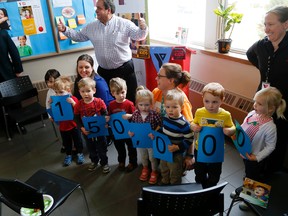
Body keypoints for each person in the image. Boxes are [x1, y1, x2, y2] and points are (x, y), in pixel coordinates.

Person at [57, 0, 148, 103]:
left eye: (99, 8)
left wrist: (143, 27)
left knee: (129, 100)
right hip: (104, 72)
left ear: (108, 10)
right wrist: (65, 29)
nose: (96, 11)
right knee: (109, 101)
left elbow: (139, 35)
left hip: (124, 70)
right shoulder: (91, 27)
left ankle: (131, 119)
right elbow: (78, 36)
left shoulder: (124, 24)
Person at [246, 5, 288, 174]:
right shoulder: (262, 45)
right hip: (262, 99)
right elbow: (250, 54)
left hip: (283, 103)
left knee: (277, 138)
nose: (266, 29)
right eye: (265, 24)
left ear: (285, 24)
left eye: (271, 24)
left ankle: (270, 172)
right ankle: (254, 170)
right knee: (257, 133)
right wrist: (265, 72)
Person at [237, 87, 286, 211]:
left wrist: (257, 157)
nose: (255, 105)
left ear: (270, 109)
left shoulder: (270, 127)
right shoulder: (253, 113)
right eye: (255, 101)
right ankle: (245, 189)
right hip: (246, 153)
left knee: (254, 176)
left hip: (255, 157)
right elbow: (244, 126)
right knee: (248, 173)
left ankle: (252, 200)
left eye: (259, 104)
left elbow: (271, 146)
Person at [191, 82, 235, 188]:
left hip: (216, 151)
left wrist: (230, 131)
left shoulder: (225, 115)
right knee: (199, 172)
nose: (210, 105)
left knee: (214, 174)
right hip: (200, 148)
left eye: (215, 102)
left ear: (222, 100)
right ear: (202, 98)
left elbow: (233, 127)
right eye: (207, 101)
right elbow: (193, 122)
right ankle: (200, 188)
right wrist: (193, 126)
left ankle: (211, 188)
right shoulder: (199, 112)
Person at [152, 62, 194, 171]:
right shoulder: (156, 92)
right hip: (161, 138)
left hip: (176, 145)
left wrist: (190, 156)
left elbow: (190, 131)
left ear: (171, 80)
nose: (156, 78)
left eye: (160, 76)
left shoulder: (182, 101)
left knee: (174, 171)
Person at [73, 54, 114, 146]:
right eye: (80, 67)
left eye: (86, 67)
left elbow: (104, 104)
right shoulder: (78, 81)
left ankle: (107, 136)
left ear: (92, 67)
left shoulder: (98, 83)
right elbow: (78, 98)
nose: (83, 70)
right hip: (87, 108)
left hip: (103, 109)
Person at [74, 77, 111, 174]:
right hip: (87, 132)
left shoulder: (99, 102)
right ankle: (94, 161)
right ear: (79, 92)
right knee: (91, 148)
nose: (85, 94)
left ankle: (104, 163)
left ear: (94, 90)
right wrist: (82, 128)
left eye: (88, 91)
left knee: (102, 148)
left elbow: (105, 113)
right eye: (83, 91)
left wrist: (105, 121)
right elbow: (76, 118)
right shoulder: (78, 105)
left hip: (100, 132)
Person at [156, 89, 193, 185]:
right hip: (165, 149)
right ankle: (165, 181)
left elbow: (189, 139)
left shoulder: (184, 123)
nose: (170, 110)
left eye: (174, 107)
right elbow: (163, 129)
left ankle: (174, 187)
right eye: (167, 107)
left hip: (176, 152)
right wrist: (156, 134)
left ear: (181, 107)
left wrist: (177, 147)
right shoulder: (166, 118)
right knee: (163, 167)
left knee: (175, 171)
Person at [128, 86, 162, 184]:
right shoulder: (135, 114)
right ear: (137, 104)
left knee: (152, 157)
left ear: (151, 104)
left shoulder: (154, 114)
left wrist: (154, 133)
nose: (144, 107)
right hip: (140, 140)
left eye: (147, 105)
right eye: (141, 105)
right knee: (143, 156)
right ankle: (145, 168)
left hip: (151, 141)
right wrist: (131, 132)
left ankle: (154, 171)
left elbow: (160, 125)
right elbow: (133, 126)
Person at [53, 76, 85, 167]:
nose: (58, 95)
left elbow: (79, 111)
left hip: (74, 125)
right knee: (66, 142)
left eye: (61, 92)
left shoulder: (73, 99)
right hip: (63, 126)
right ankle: (68, 154)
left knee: (77, 140)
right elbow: (55, 113)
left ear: (68, 90)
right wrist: (52, 106)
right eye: (56, 92)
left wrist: (73, 103)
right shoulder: (56, 100)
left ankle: (79, 153)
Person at [108, 77, 137, 172]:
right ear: (112, 93)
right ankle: (121, 161)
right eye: (118, 93)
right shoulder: (111, 105)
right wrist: (107, 119)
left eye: (123, 92)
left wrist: (130, 116)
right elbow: (110, 116)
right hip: (118, 132)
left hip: (129, 131)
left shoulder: (129, 104)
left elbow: (136, 117)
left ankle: (133, 162)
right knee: (120, 148)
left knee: (131, 148)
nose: (121, 95)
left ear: (126, 91)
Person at [44, 69, 65, 153]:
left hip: (66, 114)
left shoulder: (63, 89)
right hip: (57, 115)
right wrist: (50, 116)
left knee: (71, 130)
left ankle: (74, 145)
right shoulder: (49, 92)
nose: (52, 84)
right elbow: (47, 105)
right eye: (49, 82)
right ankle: (65, 144)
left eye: (54, 81)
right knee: (63, 130)